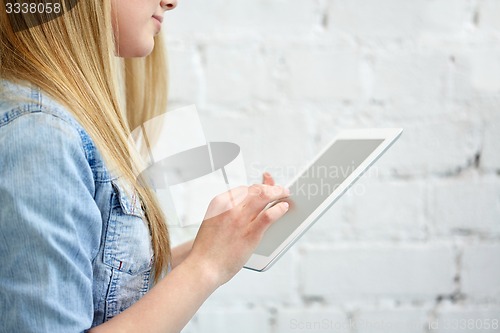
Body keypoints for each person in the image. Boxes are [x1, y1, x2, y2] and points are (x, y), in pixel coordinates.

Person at [0, 1, 290, 332]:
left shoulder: (55, 123)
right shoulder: (40, 133)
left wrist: (221, 244)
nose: (172, 2)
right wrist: (206, 266)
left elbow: (103, 287)